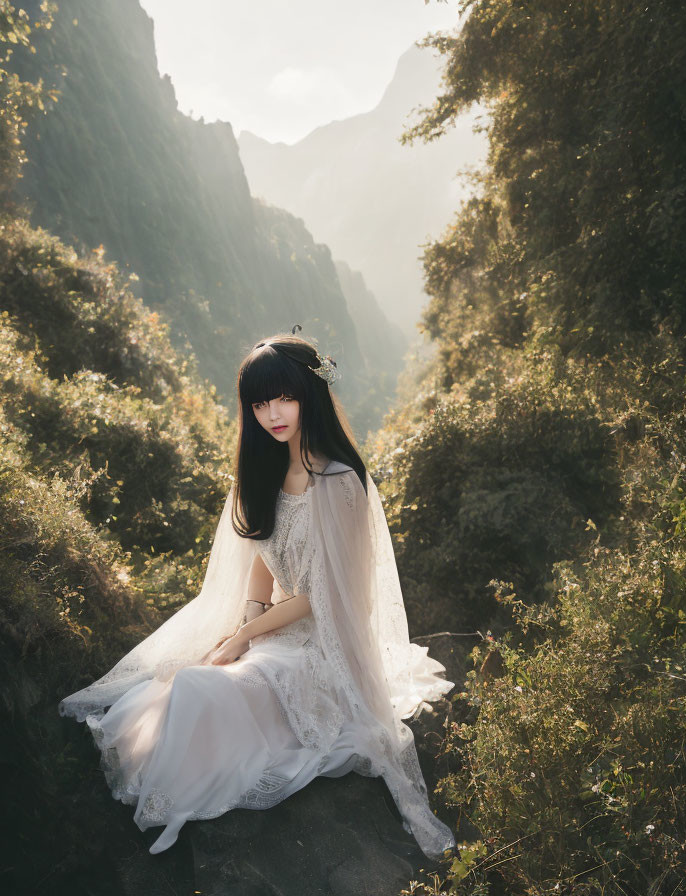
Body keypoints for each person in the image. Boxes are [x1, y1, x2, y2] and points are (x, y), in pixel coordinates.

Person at [59, 331, 457, 860]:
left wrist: (246, 635)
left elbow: (320, 595)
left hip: (323, 643)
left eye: (284, 397)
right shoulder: (267, 470)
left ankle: (191, 781)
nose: (272, 413)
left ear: (309, 395)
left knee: (204, 690)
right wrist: (242, 630)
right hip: (276, 630)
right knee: (178, 682)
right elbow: (260, 563)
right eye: (260, 402)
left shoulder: (337, 481)